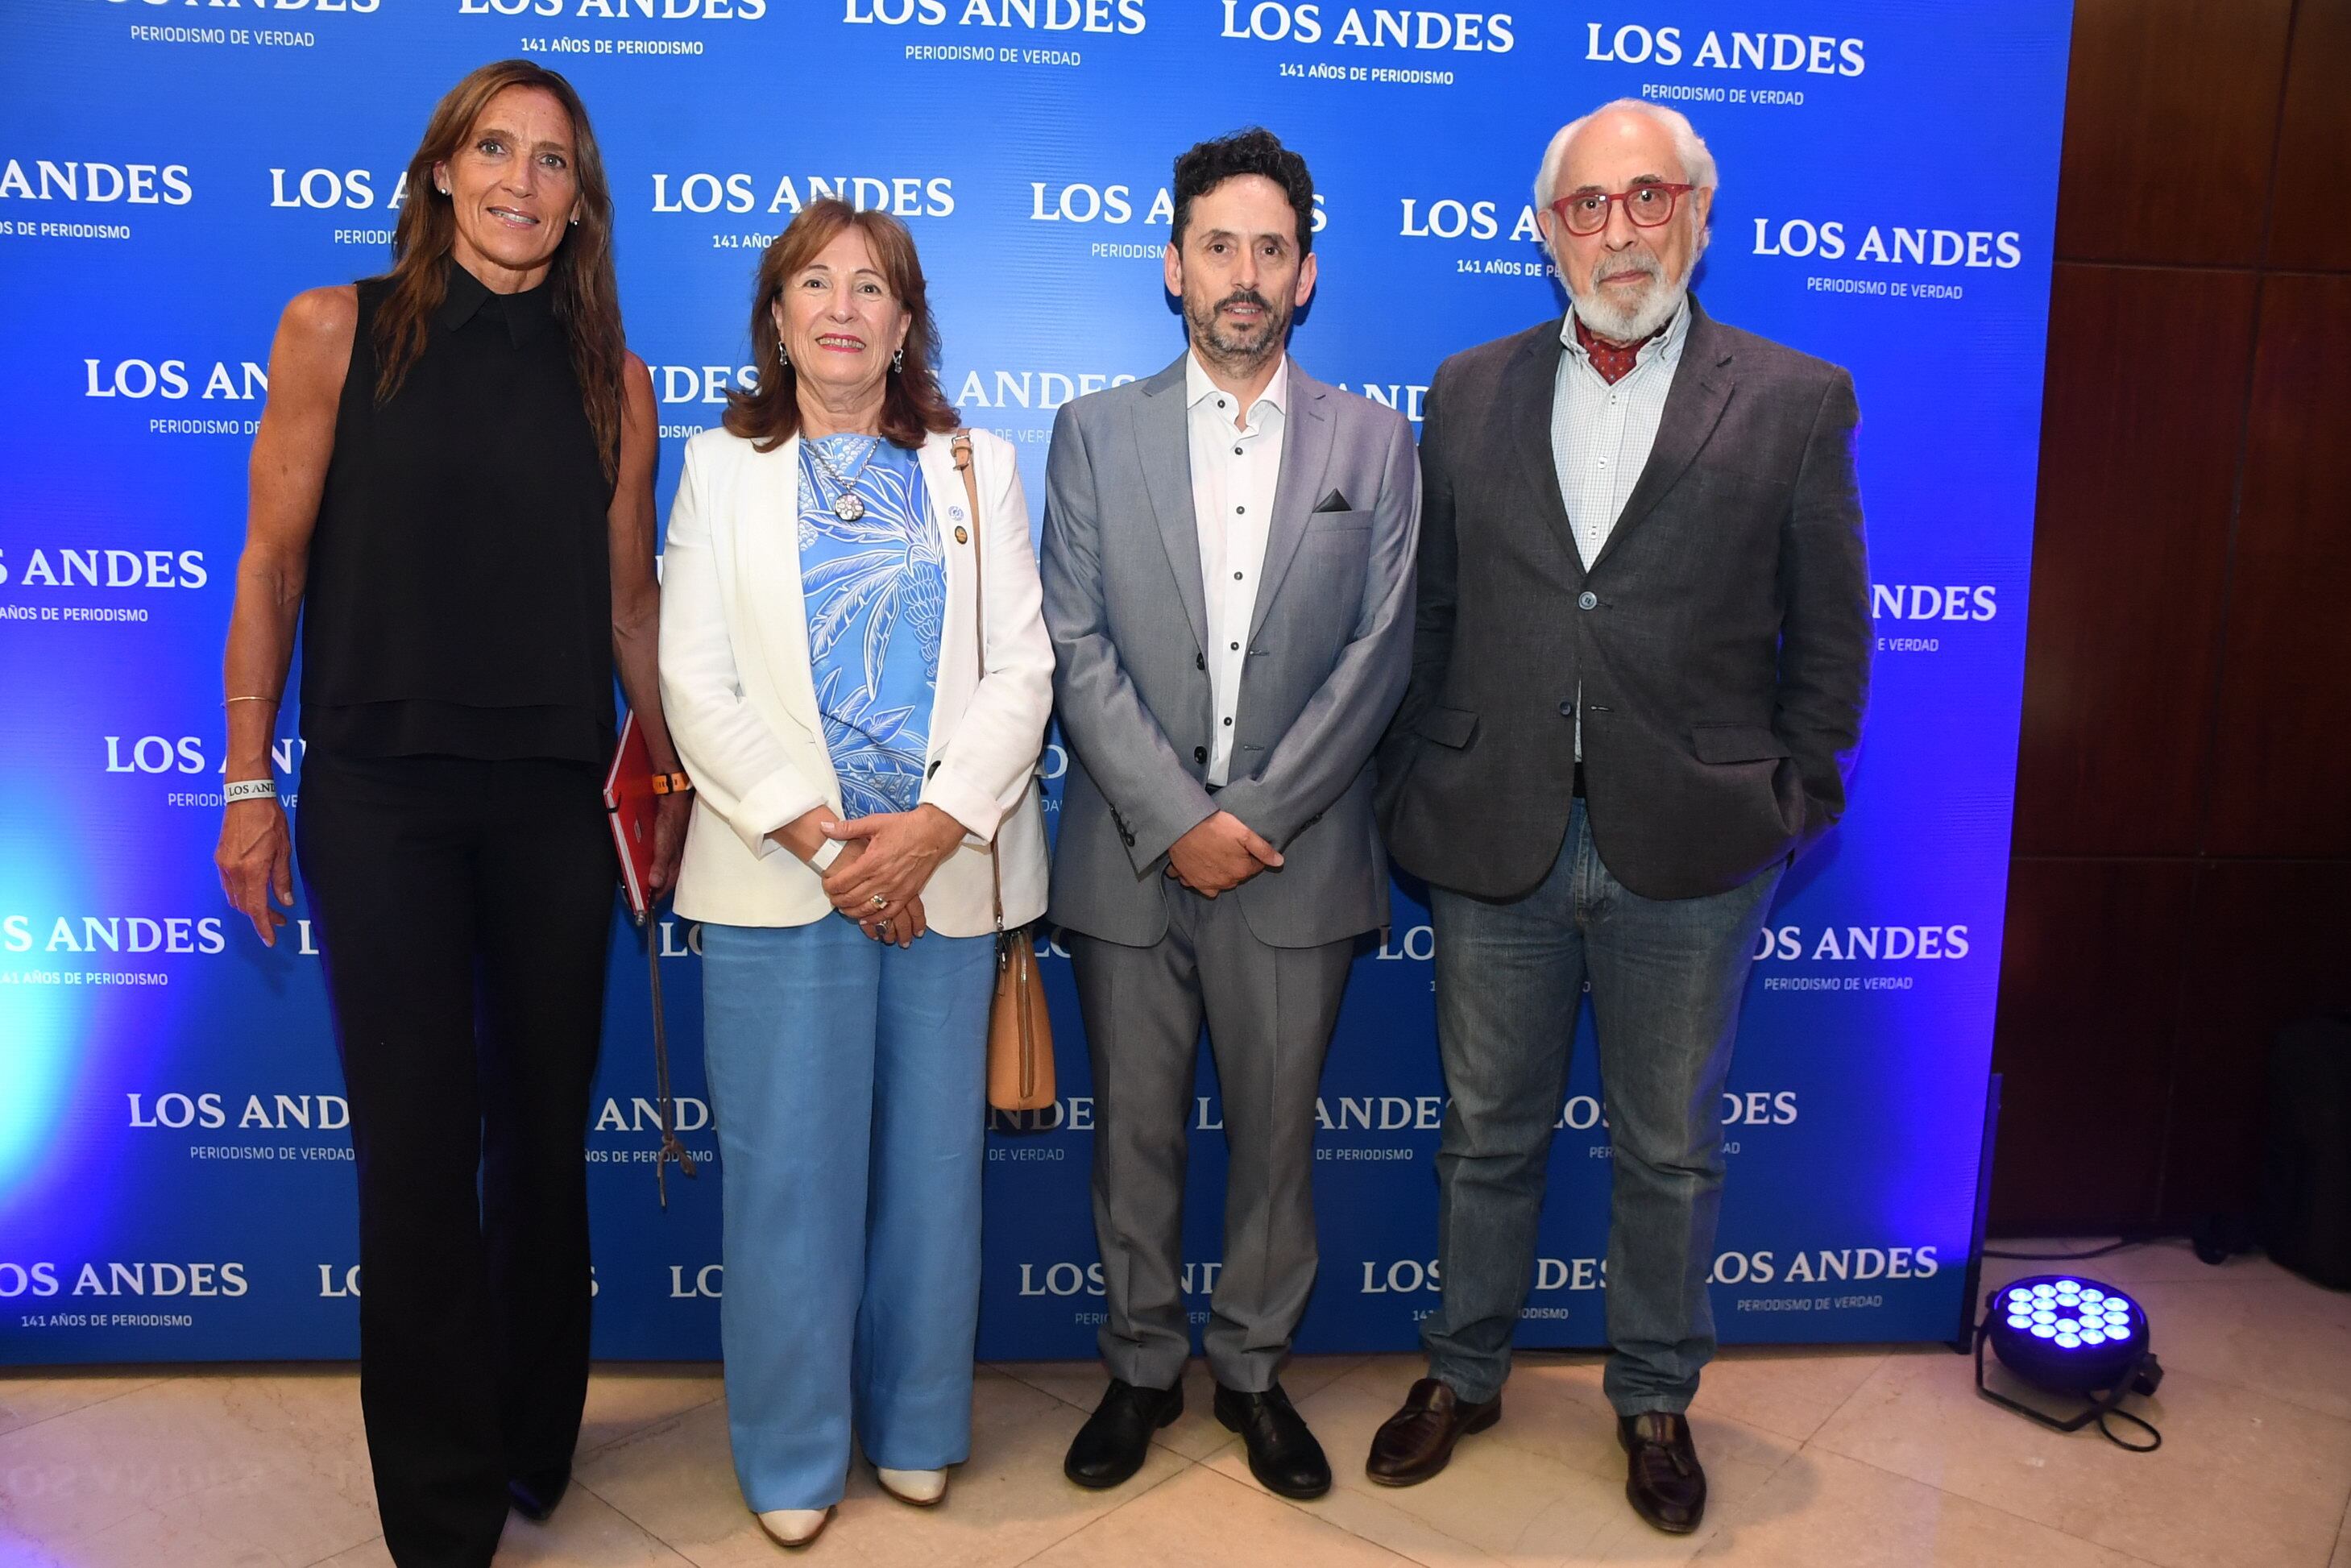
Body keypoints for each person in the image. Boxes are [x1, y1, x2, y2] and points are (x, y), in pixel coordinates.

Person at [1366, 99, 1870, 1534]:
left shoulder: (1792, 394)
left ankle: (1651, 1394)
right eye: (1585, 207)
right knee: (1483, 1135)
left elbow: (1829, 640)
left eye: (1648, 198)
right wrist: (1417, 778)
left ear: (1699, 212)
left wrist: (1785, 801)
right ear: (1543, 233)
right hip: (1490, 833)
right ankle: (1461, 1372)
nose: (1618, 231)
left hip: (1695, 849)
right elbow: (1434, 613)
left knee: (1667, 1145)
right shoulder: (1463, 389)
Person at [212, 60, 685, 1568]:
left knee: (544, 1140)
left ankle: (533, 1440)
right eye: (495, 149)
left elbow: (627, 608)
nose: (520, 182)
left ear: (579, 198)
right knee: (417, 1152)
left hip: (554, 801)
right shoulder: (333, 329)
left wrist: (661, 771)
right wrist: (246, 779)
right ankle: (437, 1510)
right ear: (438, 170)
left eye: (553, 162)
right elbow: (271, 570)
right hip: (382, 799)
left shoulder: (618, 377)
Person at [657, 197, 1053, 1550]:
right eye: (813, 284)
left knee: (934, 1174)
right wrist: (823, 840)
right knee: (784, 1183)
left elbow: (1023, 669)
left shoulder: (974, 466)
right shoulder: (718, 468)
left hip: (942, 877)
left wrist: (935, 826)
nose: (841, 307)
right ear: (776, 318)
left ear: (904, 320)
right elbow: (692, 682)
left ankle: (921, 1423)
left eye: (870, 286)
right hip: (785, 880)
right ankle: (787, 1449)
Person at [1041, 127, 1420, 1503]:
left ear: (1307, 276)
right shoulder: (1090, 433)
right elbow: (1073, 644)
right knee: (1130, 1140)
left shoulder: (1377, 443)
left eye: (1271, 249)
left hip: (1297, 861)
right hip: (1128, 861)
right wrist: (1173, 816)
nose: (1243, 275)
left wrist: (1248, 816)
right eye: (1218, 246)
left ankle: (1255, 1370)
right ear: (1172, 265)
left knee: (1276, 1141)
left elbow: (1380, 655)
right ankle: (1140, 1364)